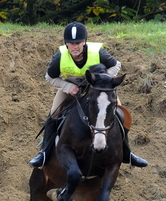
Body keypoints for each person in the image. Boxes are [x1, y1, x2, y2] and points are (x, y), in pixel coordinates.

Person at [29, 21, 148, 169]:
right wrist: (67, 86)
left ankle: (128, 152)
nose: (75, 46)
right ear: (66, 43)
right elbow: (50, 77)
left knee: (119, 113)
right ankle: (44, 152)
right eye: (71, 43)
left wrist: (101, 80)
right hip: (71, 89)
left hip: (99, 89)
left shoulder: (98, 52)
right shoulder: (59, 56)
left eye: (78, 42)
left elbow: (116, 65)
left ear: (84, 41)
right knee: (53, 114)